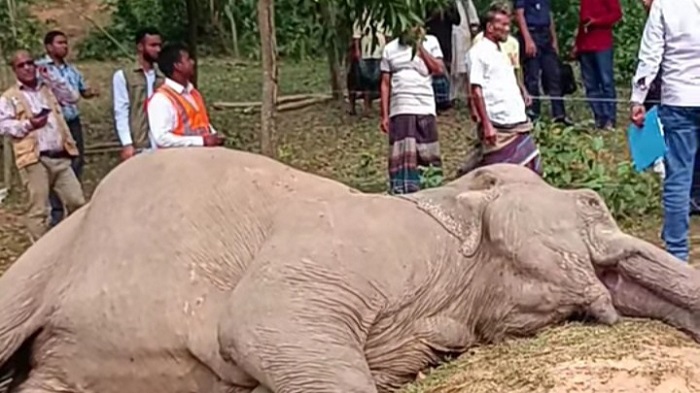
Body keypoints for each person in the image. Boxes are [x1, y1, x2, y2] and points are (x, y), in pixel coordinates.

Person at [630, 0, 700, 262]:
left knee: (678, 178)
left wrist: (638, 99)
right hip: (681, 99)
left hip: (679, 99)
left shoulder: (663, 5)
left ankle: (677, 254)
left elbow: (650, 56)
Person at [0, 50, 86, 241]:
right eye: (21, 65)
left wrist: (51, 78)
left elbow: (72, 97)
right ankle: (39, 255)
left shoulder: (48, 88)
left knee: (77, 201)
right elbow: (3, 125)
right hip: (34, 158)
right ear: (14, 70)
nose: (27, 68)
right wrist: (28, 125)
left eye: (30, 63)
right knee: (39, 209)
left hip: (60, 155)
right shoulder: (10, 97)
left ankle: (74, 241)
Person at [464, 5, 540, 174]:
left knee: (529, 172)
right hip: (499, 125)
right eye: (503, 25)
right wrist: (487, 124)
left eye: (508, 25)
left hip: (517, 122)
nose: (507, 29)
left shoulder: (500, 52)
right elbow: (476, 90)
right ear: (490, 27)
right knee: (497, 175)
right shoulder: (477, 52)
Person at [36, 30, 98, 227]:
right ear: (48, 47)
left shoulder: (72, 70)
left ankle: (74, 204)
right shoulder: (40, 69)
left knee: (77, 161)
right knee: (54, 163)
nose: (64, 46)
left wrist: (90, 92)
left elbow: (80, 91)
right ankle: (56, 211)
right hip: (53, 123)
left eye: (65, 43)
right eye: (60, 43)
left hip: (72, 121)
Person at [379, 27, 445, 194]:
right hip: (400, 108)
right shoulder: (389, 48)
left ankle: (430, 188)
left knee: (427, 153)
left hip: (424, 106)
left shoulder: (431, 42)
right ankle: (402, 190)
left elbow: (438, 69)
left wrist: (419, 47)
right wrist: (385, 115)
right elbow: (385, 83)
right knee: (402, 154)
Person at [146, 43, 224, 148]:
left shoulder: (193, 93)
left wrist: (213, 136)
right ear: (177, 66)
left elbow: (201, 123)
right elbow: (161, 138)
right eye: (188, 59)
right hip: (178, 159)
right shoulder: (161, 100)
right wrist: (201, 141)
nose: (193, 62)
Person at [514, 0, 573, 125]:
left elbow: (549, 15)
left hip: (545, 34)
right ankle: (534, 115)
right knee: (532, 78)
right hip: (531, 32)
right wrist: (528, 39)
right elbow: (519, 14)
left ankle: (559, 115)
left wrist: (554, 39)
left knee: (554, 75)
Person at [112, 27, 164, 160]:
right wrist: (127, 143)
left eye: (159, 45)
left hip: (162, 142)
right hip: (139, 143)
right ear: (140, 47)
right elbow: (121, 111)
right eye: (153, 45)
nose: (157, 49)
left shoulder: (163, 76)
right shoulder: (123, 75)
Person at [571, 0, 622, 130]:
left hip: (602, 44)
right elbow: (582, 23)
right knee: (590, 85)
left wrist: (596, 21)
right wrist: (577, 44)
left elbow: (616, 14)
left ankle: (610, 118)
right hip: (585, 46)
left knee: (606, 82)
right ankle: (599, 118)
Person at [348, 12, 387, 116]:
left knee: (376, 80)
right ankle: (363, 107)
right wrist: (357, 50)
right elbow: (356, 35)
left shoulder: (382, 14)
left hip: (379, 52)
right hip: (365, 52)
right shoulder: (361, 14)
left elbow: (387, 34)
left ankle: (372, 106)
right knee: (363, 79)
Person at [425, 3, 461, 111]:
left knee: (445, 68)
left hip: (445, 40)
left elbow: (457, 20)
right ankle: (433, 99)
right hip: (430, 40)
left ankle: (444, 98)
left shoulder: (449, 3)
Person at [450, 0, 481, 105]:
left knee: (461, 67)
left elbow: (470, 9)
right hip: (445, 30)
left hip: (461, 29)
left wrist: (473, 25)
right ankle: (449, 97)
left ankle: (460, 98)